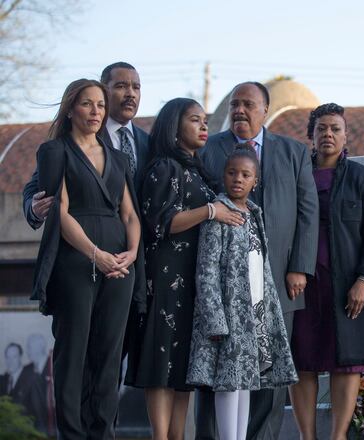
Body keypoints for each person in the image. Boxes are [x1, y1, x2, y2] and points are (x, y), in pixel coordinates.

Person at [197, 81, 318, 439]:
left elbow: (308, 212)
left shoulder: (293, 152)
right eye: (235, 104)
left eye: (248, 104)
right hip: (223, 287)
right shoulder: (209, 149)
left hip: (279, 281)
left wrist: (300, 266)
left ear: (265, 110)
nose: (239, 110)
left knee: (269, 369)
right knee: (217, 372)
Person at [29, 79, 144, 439]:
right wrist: (96, 255)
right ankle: (72, 434)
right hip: (75, 262)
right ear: (70, 108)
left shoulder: (119, 157)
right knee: (72, 352)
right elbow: (59, 213)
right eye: (86, 104)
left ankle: (103, 433)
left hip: (120, 266)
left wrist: (131, 254)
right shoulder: (54, 152)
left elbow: (130, 214)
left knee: (110, 355)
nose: (95, 112)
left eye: (100, 105)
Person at [124, 98, 243, 440]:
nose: (204, 126)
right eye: (195, 120)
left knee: (182, 369)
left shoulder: (196, 169)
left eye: (205, 121)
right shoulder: (164, 167)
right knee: (162, 366)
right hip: (165, 280)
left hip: (194, 283)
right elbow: (160, 223)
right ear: (174, 127)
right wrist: (211, 211)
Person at [289, 103, 364, 440]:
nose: (328, 134)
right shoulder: (296, 175)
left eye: (335, 128)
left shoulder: (363, 178)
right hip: (301, 283)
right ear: (310, 136)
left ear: (346, 136)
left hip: (347, 283)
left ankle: (338, 436)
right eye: (321, 129)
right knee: (302, 359)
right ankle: (307, 436)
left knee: (347, 361)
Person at [188, 145, 298, 440]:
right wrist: (215, 318)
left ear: (255, 181)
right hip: (228, 313)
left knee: (247, 380)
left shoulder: (255, 214)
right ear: (223, 177)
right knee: (228, 382)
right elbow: (206, 270)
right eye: (232, 173)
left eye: (245, 174)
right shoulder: (219, 214)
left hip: (256, 311)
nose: (238, 179)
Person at [23, 61, 150, 229]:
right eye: (121, 86)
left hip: (139, 246)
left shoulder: (150, 142)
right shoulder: (77, 137)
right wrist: (34, 209)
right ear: (103, 90)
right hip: (87, 240)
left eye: (136, 87)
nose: (130, 94)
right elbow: (35, 187)